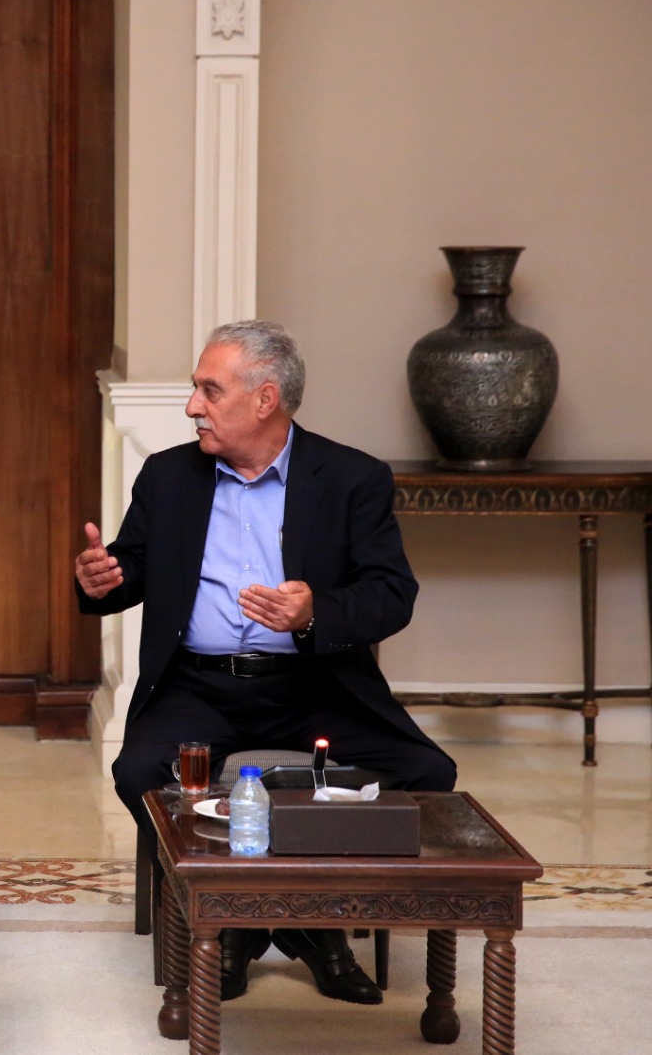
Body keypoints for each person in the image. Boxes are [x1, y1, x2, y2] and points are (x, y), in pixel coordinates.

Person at [75, 320, 456, 1006]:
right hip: (198, 688)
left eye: (209, 390)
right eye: (196, 389)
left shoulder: (351, 478)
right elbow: (132, 567)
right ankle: (238, 919)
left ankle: (314, 919)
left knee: (428, 774)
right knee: (138, 772)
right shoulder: (169, 476)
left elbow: (391, 595)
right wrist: (103, 580)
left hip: (317, 687)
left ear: (265, 399)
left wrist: (314, 613)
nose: (192, 406)